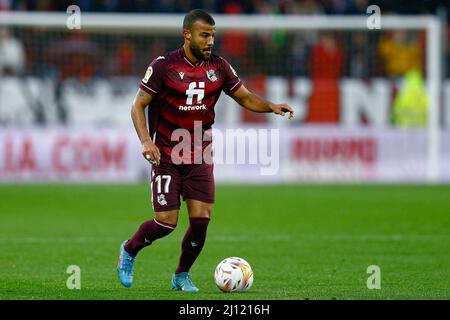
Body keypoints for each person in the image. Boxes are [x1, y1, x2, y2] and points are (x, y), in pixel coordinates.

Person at [116, 9, 294, 292]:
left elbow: (245, 96)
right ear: (187, 35)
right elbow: (138, 105)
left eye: (212, 35)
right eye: (205, 35)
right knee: (166, 223)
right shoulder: (164, 66)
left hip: (200, 156)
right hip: (167, 156)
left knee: (201, 222)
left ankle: (181, 275)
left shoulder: (220, 67)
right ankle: (130, 249)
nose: (210, 41)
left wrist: (270, 106)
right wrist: (146, 142)